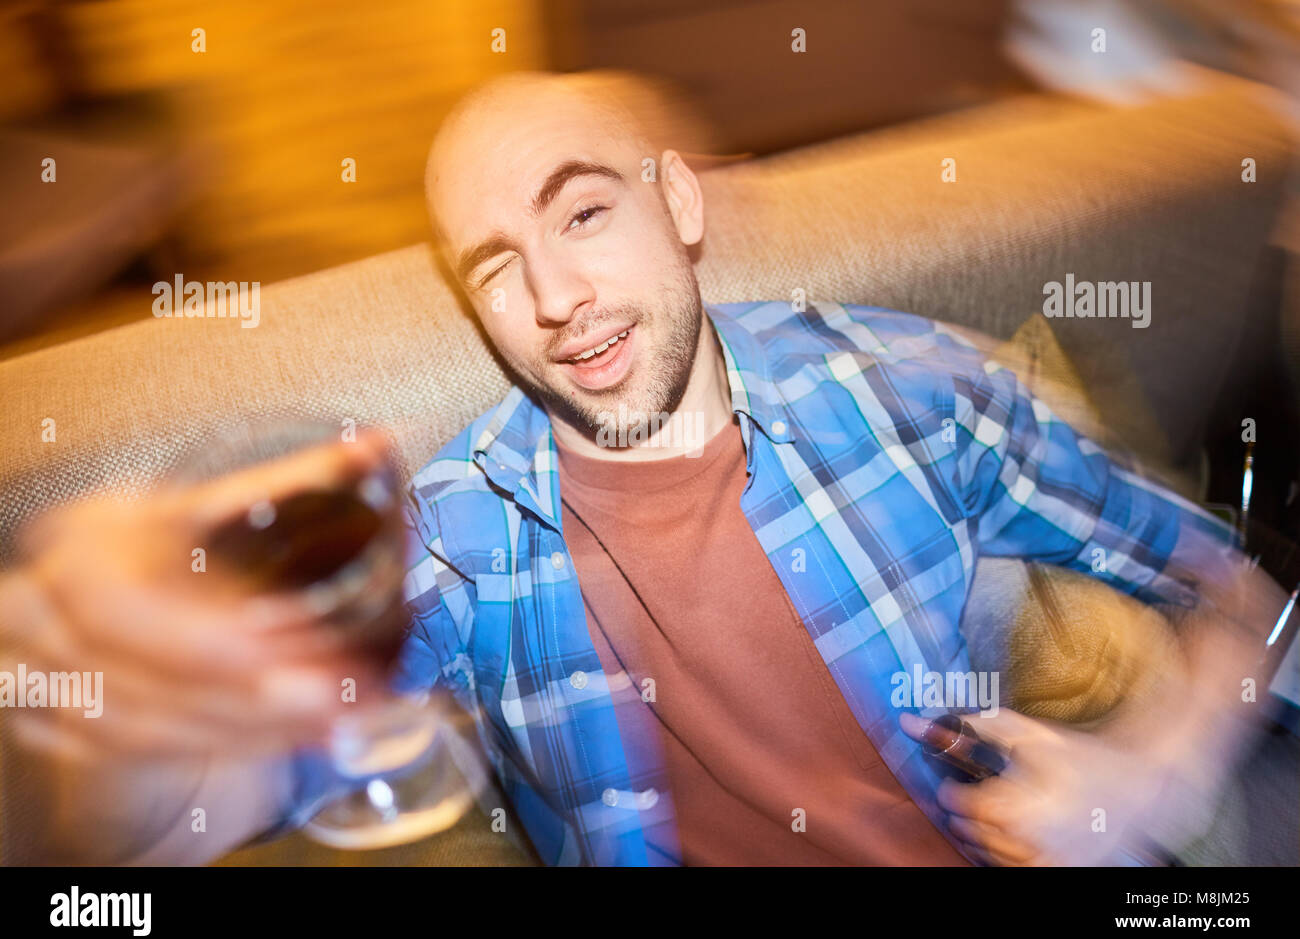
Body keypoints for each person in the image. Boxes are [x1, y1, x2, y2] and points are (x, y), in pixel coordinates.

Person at [2, 71, 1288, 866]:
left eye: (583, 211)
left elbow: (1243, 591)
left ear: (676, 200)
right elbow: (174, 835)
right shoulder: (455, 538)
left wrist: (1152, 775)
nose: (556, 296)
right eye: (497, 264)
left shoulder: (911, 390)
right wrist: (134, 718)